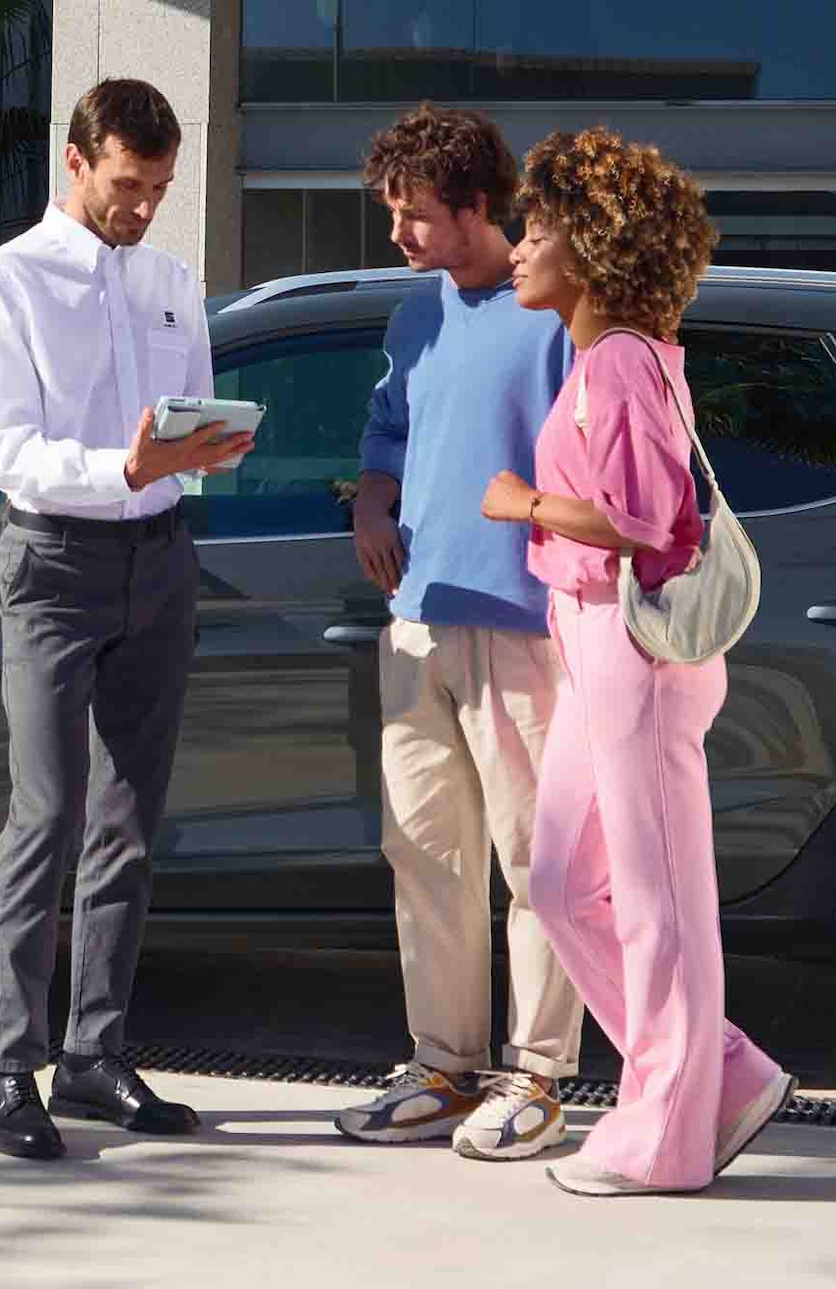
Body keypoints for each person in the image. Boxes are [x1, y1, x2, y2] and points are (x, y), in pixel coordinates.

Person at [475, 126, 796, 1196]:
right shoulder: (614, 357)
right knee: (565, 883)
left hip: (632, 644)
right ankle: (722, 1072)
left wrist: (520, 500)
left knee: (659, 900)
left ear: (593, 251)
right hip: (592, 643)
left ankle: (663, 1134)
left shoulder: (616, 359)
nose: (518, 250)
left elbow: (647, 519)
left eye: (537, 232)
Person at [0, 76, 251, 1162]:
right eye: (128, 184)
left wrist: (208, 447)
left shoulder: (172, 280)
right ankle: (5, 1071)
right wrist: (123, 462)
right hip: (52, 563)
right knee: (45, 812)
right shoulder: (0, 285)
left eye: (159, 187)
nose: (143, 206)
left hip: (162, 559)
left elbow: (196, 423)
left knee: (129, 819)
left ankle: (92, 1053)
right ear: (73, 161)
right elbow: (10, 455)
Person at [324, 105, 591, 1162]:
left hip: (523, 624)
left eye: (415, 217)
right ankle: (441, 1065)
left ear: (477, 206)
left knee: (535, 860)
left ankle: (536, 1073)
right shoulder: (414, 313)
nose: (397, 235)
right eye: (391, 213)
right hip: (415, 622)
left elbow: (601, 463)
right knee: (425, 852)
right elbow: (385, 430)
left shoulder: (553, 310)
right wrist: (369, 502)